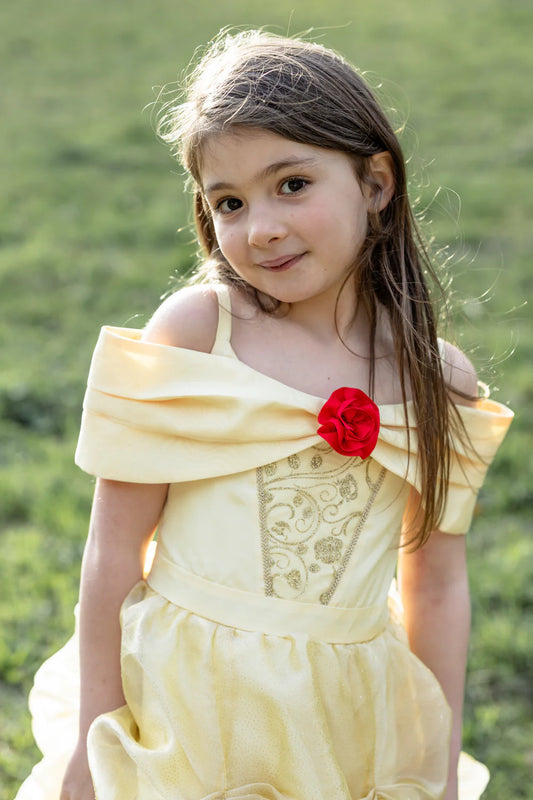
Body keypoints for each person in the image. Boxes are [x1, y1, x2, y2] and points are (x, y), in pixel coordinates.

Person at [16, 30, 513, 800]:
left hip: (342, 716)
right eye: (229, 202)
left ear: (375, 182)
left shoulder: (434, 378)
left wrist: (439, 766)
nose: (261, 228)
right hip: (183, 707)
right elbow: (113, 552)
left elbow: (437, 585)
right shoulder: (195, 335)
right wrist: (94, 741)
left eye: (291, 184)